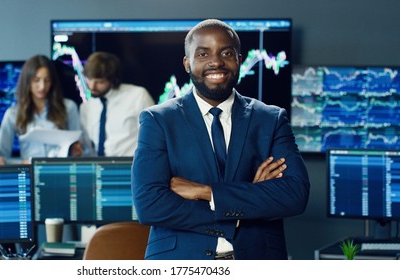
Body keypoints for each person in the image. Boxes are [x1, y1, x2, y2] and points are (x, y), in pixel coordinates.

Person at [131, 19, 310, 260]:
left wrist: (206, 192)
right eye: (203, 54)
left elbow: (294, 195)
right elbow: (149, 205)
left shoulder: (271, 119)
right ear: (187, 63)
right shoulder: (158, 120)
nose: (216, 61)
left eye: (226, 53)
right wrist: (244, 206)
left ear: (238, 59)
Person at [0, 55, 87, 163]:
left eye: (47, 80)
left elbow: (79, 151)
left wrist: (76, 151)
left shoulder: (69, 108)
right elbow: (0, 158)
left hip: (59, 173)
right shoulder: (13, 114)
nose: (42, 86)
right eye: (36, 80)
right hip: (30, 173)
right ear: (27, 82)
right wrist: (22, 163)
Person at [80, 51, 155, 156]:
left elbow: (153, 138)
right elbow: (88, 146)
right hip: (99, 168)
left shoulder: (138, 96)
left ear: (112, 79)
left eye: (100, 82)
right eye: (89, 80)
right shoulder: (86, 107)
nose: (92, 86)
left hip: (132, 165)